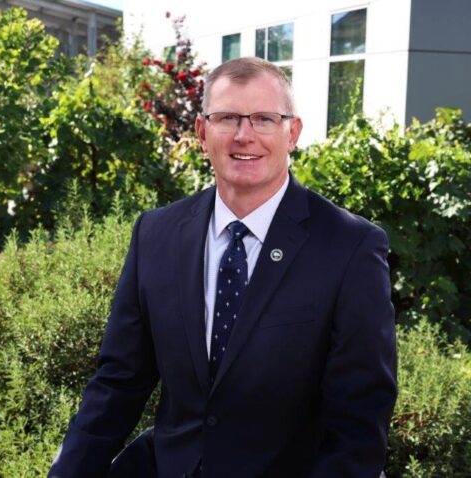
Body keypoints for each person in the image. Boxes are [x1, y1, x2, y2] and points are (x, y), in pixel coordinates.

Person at [49, 57, 397, 478]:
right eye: (227, 118)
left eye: (265, 119)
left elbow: (359, 422)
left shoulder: (350, 246)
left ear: (293, 133)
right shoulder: (155, 235)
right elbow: (118, 382)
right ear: (202, 132)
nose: (243, 135)